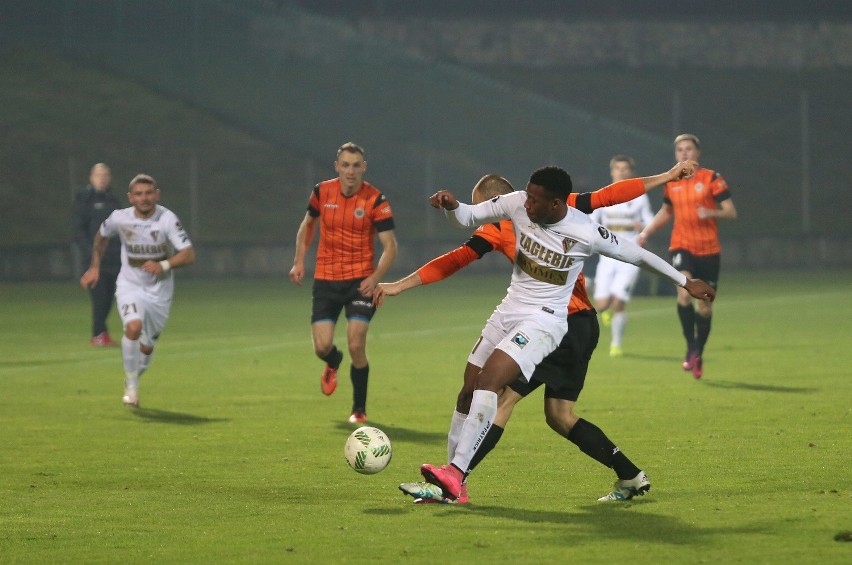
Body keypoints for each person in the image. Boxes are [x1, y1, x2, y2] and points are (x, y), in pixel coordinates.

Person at [377, 161, 700, 503]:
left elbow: (613, 206)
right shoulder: (518, 215)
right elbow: (605, 197)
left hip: (560, 326)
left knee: (499, 398)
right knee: (559, 416)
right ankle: (630, 475)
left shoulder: (548, 214)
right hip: (572, 325)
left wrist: (666, 177)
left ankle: (453, 479)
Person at [289, 142, 398, 424]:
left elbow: (390, 247)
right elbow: (307, 225)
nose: (351, 171)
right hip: (326, 280)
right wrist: (299, 260)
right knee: (322, 347)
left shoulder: (376, 199)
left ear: (364, 167)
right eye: (345, 165)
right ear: (337, 167)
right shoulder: (321, 192)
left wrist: (374, 279)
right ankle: (332, 362)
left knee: (356, 343)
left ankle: (358, 409)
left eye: (356, 165)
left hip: (360, 283)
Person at [80, 174, 195, 407]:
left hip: (160, 291)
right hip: (129, 285)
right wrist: (94, 266)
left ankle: (132, 378)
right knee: (133, 327)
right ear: (130, 197)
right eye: (139, 194)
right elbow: (101, 236)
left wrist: (163, 264)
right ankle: (132, 388)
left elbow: (188, 254)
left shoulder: (167, 219)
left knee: (147, 346)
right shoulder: (119, 218)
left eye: (149, 193)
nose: (144, 198)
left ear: (157, 195)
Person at [638, 134, 737, 379]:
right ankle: (690, 347)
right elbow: (666, 211)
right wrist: (646, 232)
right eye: (679, 150)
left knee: (704, 307)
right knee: (684, 291)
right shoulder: (671, 181)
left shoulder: (712, 178)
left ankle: (698, 352)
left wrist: (711, 212)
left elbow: (731, 212)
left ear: (697, 153)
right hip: (681, 246)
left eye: (688, 149)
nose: (684, 153)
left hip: (709, 251)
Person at [589, 155, 654, 357]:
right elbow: (592, 221)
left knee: (618, 303)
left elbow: (651, 221)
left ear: (631, 172)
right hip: (607, 256)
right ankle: (593, 291)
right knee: (601, 304)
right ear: (612, 172)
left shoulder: (639, 197)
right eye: (617, 168)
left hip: (630, 256)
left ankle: (616, 344)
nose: (621, 172)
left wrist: (643, 229)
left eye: (625, 168)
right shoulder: (603, 196)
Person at [72, 163, 122, 346]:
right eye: (99, 175)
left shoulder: (113, 200)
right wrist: (90, 255)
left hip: (114, 259)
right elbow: (78, 231)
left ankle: (102, 334)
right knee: (100, 297)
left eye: (106, 175)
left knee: (110, 297)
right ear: (91, 178)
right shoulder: (84, 199)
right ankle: (98, 334)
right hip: (95, 262)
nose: (103, 178)